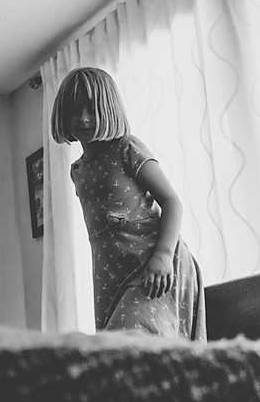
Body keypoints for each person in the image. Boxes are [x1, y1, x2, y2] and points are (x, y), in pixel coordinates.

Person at [51, 67, 206, 340]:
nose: (84, 119)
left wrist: (163, 255)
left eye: (92, 109)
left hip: (154, 266)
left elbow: (171, 202)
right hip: (111, 276)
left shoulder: (127, 148)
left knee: (129, 341)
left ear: (109, 108)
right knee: (116, 354)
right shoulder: (78, 170)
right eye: (75, 111)